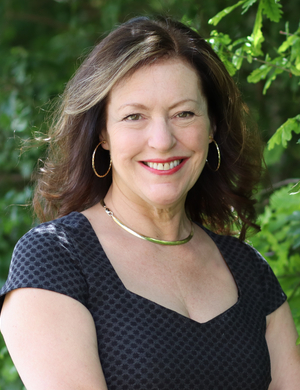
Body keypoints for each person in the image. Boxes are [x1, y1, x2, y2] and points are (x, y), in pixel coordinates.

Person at [0, 16, 299, 390]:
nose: (161, 140)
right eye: (134, 116)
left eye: (184, 113)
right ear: (103, 133)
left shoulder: (250, 271)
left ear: (212, 128)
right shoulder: (56, 260)